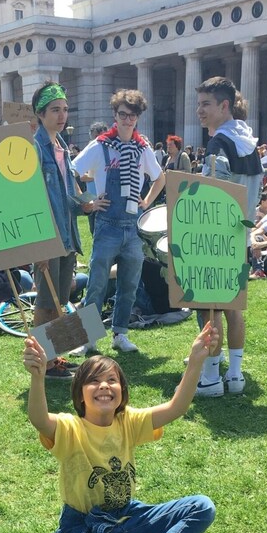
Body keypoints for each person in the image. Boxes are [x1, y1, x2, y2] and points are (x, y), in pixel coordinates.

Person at [22, 321, 218, 533]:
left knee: (202, 507)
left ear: (122, 392)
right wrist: (38, 377)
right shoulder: (69, 427)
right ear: (79, 395)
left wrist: (196, 361)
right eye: (93, 381)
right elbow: (40, 419)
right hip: (86, 527)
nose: (104, 385)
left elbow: (176, 408)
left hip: (128, 517)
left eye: (112, 380)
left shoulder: (128, 421)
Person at [72, 89, 166, 355]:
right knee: (97, 282)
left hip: (132, 226)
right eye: (123, 114)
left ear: (137, 117)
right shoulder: (100, 145)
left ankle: (120, 334)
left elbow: (160, 177)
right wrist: (87, 203)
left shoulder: (142, 148)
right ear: (115, 114)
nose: (127, 120)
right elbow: (71, 172)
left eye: (132, 115)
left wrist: (146, 201)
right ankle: (87, 339)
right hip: (107, 225)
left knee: (130, 283)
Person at [195, 76, 263, 396]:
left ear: (224, 106)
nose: (200, 111)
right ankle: (234, 376)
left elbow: (214, 189)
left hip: (218, 237)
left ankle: (210, 378)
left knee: (209, 309)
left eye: (206, 104)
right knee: (233, 307)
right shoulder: (249, 141)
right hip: (242, 236)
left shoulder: (219, 142)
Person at [31, 82, 105, 379]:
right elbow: (34, 199)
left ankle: (53, 359)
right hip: (48, 238)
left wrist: (83, 205)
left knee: (59, 301)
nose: (62, 115)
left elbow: (66, 193)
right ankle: (43, 364)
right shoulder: (35, 148)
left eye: (64, 109)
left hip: (67, 236)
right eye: (54, 110)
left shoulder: (62, 147)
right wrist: (39, 247)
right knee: (45, 302)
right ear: (40, 113)